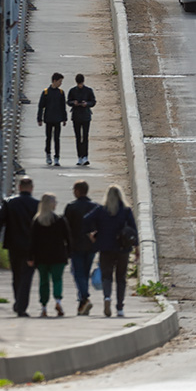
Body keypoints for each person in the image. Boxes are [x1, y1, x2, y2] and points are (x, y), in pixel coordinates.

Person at [87, 184, 138, 318]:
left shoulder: (101, 210)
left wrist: (91, 235)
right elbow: (133, 230)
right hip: (123, 248)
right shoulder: (126, 211)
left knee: (107, 275)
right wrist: (137, 248)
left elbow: (85, 220)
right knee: (121, 278)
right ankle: (120, 307)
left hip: (105, 248)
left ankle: (107, 298)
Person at [0, 176, 39, 317]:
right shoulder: (37, 204)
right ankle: (21, 306)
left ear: (19, 187)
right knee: (27, 275)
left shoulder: (9, 203)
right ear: (31, 188)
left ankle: (19, 301)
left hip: (14, 244)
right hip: (32, 246)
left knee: (16, 275)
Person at [27, 193, 71, 317]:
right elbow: (68, 238)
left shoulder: (37, 221)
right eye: (55, 202)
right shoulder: (60, 220)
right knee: (57, 280)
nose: (56, 204)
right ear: (51, 204)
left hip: (41, 256)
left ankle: (44, 306)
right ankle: (58, 300)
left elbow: (32, 241)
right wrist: (69, 253)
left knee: (43, 281)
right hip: (58, 255)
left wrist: (30, 257)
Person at [63, 180, 99, 315]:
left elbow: (65, 228)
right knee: (85, 272)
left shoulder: (71, 207)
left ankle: (84, 297)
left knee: (78, 273)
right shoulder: (95, 206)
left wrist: (65, 244)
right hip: (91, 245)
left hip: (76, 245)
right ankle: (82, 302)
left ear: (77, 191)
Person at [37, 72, 68, 167]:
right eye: (59, 81)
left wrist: (64, 118)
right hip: (48, 118)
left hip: (58, 118)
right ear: (54, 81)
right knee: (48, 138)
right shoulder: (46, 92)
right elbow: (41, 106)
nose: (60, 83)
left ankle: (57, 157)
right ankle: (48, 154)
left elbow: (63, 106)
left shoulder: (61, 93)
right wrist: (39, 118)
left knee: (57, 138)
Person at [67, 72, 97, 165]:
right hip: (76, 116)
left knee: (85, 136)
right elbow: (68, 101)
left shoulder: (88, 90)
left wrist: (86, 104)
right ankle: (79, 156)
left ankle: (85, 156)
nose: (80, 85)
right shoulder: (72, 91)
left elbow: (93, 101)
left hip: (85, 116)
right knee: (78, 137)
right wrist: (74, 103)